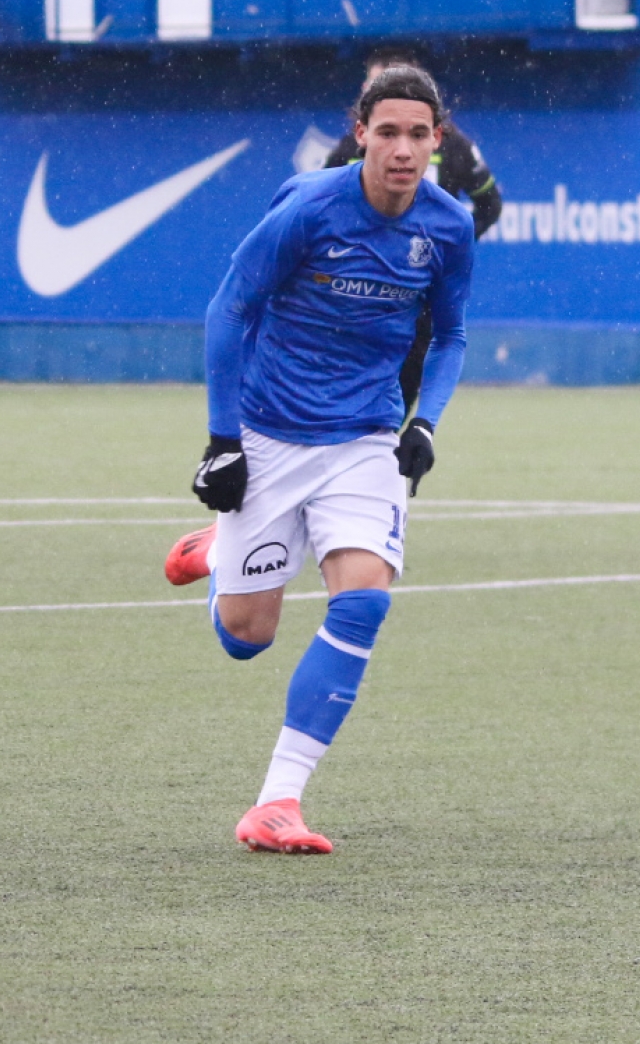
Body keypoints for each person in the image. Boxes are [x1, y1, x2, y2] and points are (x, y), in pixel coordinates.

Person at [181, 65, 474, 854]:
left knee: (365, 600)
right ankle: (219, 555)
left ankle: (277, 800)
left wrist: (425, 422)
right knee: (246, 636)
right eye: (389, 132)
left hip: (364, 439)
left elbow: (450, 334)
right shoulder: (310, 207)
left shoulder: (449, 226)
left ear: (437, 141)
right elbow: (229, 307)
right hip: (271, 432)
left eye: (419, 134)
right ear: (360, 133)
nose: (403, 149)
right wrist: (222, 440)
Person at [322, 49, 502, 416]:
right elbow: (320, 211)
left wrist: (445, 254)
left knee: (398, 394)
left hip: (413, 290)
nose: (402, 151)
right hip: (359, 288)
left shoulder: (455, 146)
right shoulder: (350, 149)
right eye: (375, 84)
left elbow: (489, 205)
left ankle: (388, 436)